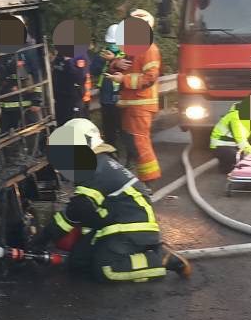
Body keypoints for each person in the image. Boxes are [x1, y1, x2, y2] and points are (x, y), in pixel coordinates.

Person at [43, 118, 190, 281]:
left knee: (107, 269)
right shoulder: (98, 162)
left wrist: (45, 236)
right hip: (114, 225)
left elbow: (78, 209)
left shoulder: (94, 167)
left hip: (132, 227)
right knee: (78, 263)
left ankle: (161, 260)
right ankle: (141, 253)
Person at [113, 9, 163, 184]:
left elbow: (150, 78)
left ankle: (148, 182)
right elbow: (119, 66)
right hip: (130, 105)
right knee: (132, 143)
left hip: (140, 105)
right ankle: (141, 180)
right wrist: (115, 63)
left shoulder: (149, 49)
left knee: (140, 144)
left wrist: (123, 79)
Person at [93, 21, 125, 148]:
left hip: (121, 98)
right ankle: (112, 152)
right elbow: (93, 70)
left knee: (123, 127)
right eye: (110, 43)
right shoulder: (102, 55)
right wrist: (103, 61)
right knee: (108, 129)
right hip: (106, 98)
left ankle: (129, 155)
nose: (112, 46)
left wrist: (113, 60)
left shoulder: (127, 55)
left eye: (114, 43)